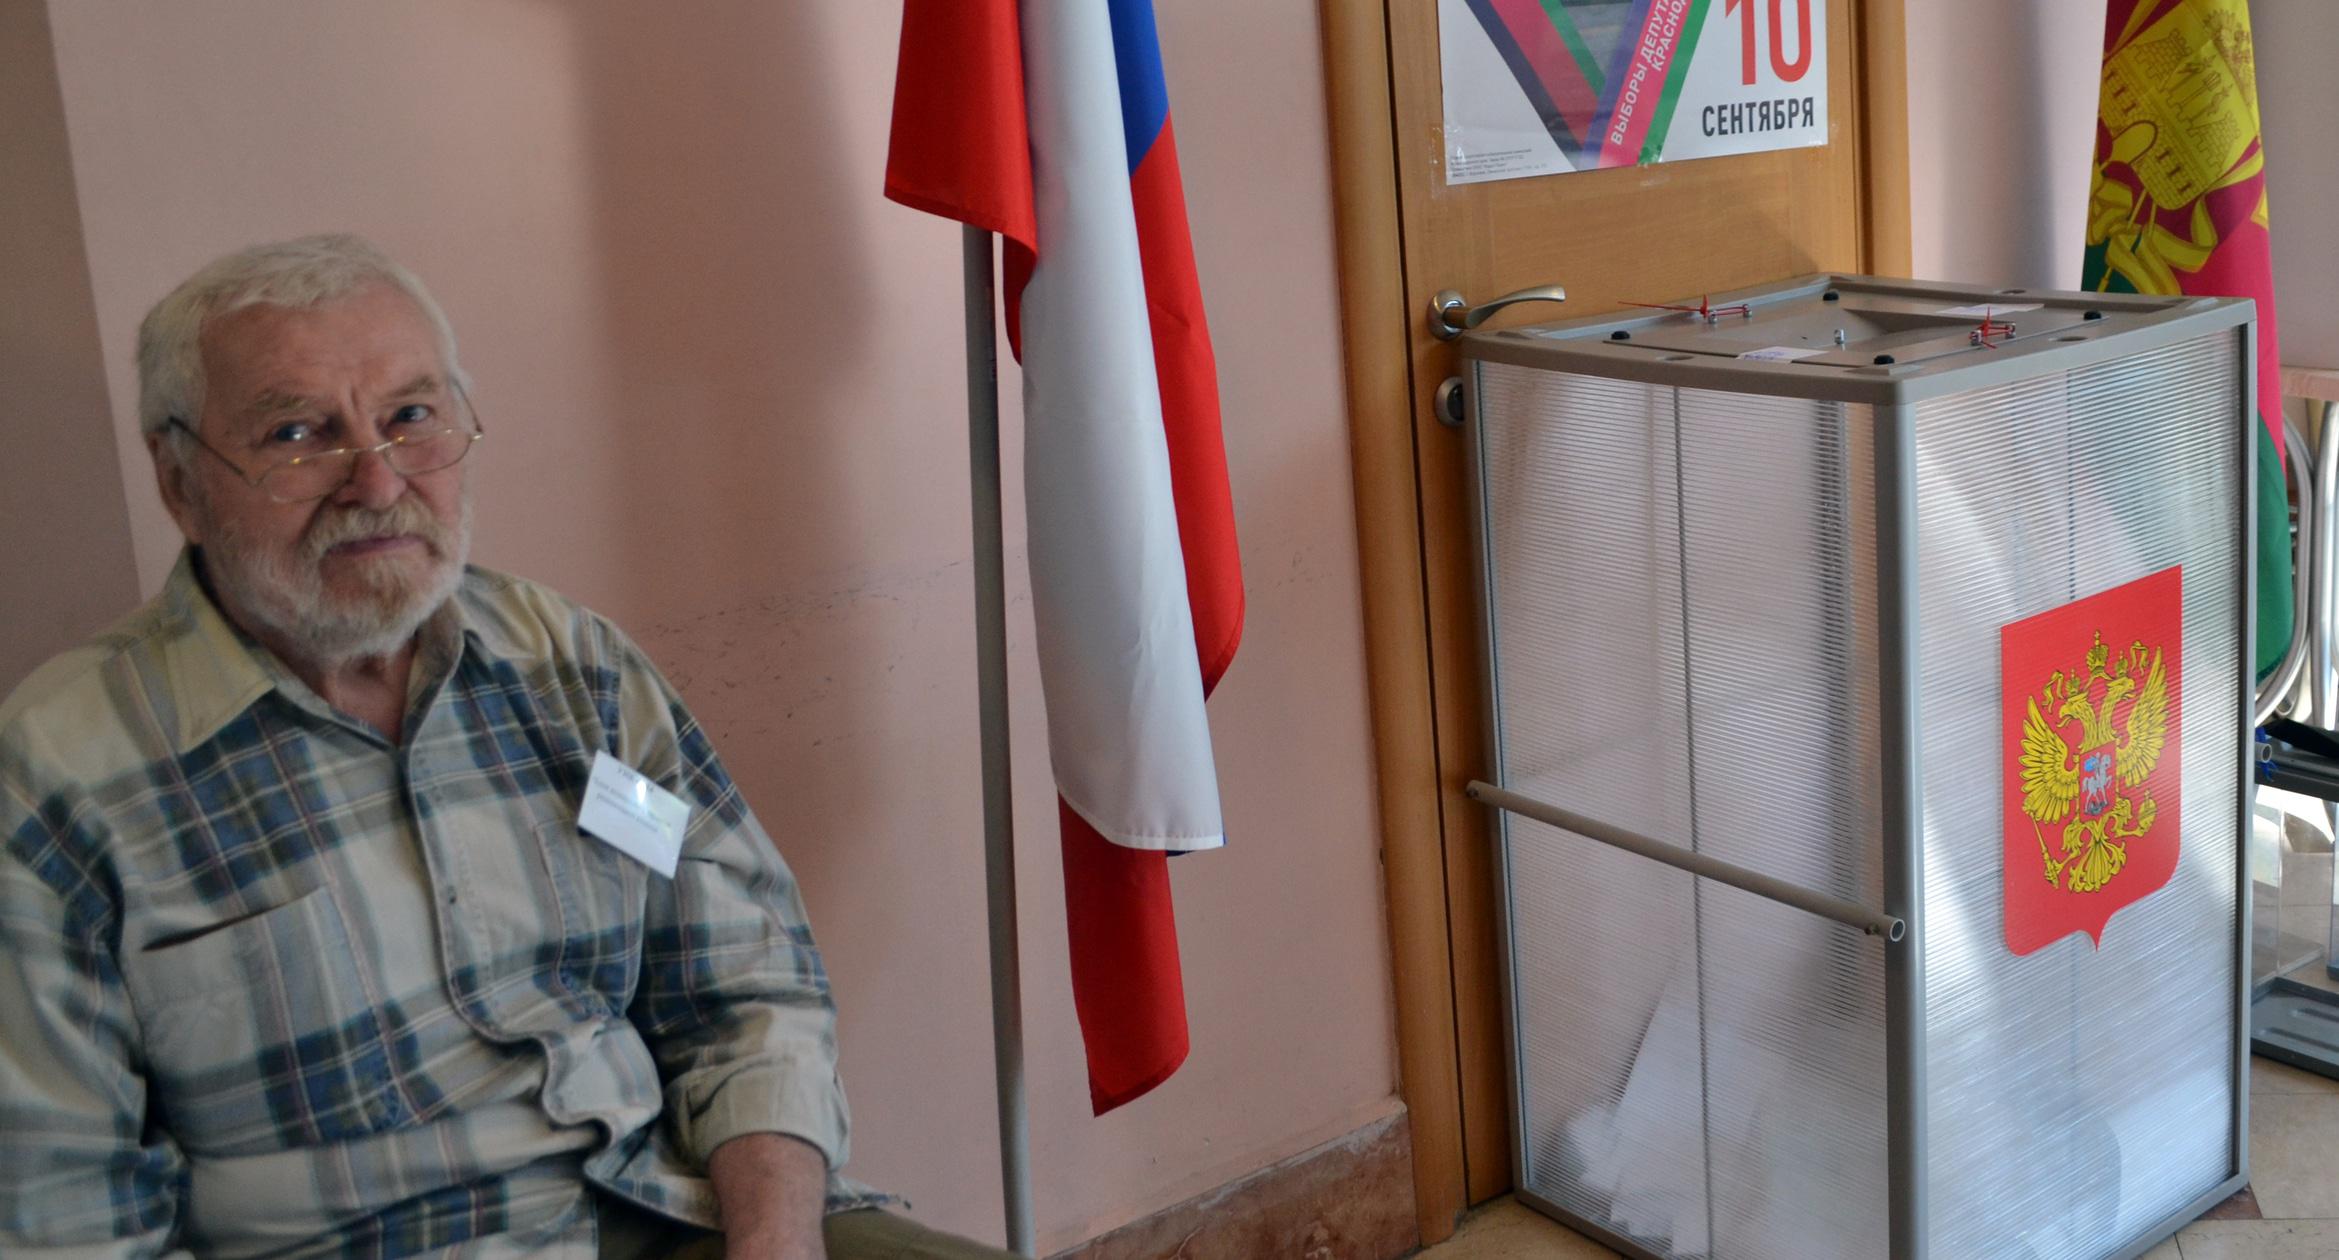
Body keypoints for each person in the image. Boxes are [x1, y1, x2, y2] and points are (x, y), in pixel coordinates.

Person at [0, 235, 1014, 1260]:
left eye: (410, 416)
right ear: (180, 481)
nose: (376, 483)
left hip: (682, 1216)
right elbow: (60, 1214)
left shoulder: (569, 668)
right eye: (298, 434)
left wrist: (775, 1241)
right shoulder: (64, 779)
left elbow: (748, 982)